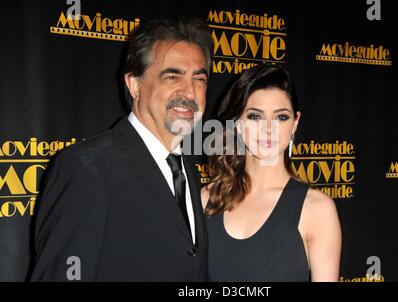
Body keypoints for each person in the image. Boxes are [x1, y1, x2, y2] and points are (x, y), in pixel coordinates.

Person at [30, 17, 212, 281]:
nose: (190, 93)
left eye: (200, 79)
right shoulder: (86, 168)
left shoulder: (188, 171)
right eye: (172, 76)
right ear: (134, 85)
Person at [202, 64, 342, 282]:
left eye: (281, 117)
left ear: (295, 123)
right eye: (255, 117)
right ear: (237, 123)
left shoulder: (317, 210)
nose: (268, 128)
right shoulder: (206, 200)